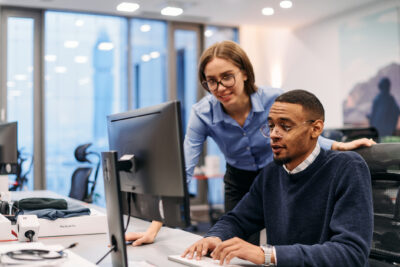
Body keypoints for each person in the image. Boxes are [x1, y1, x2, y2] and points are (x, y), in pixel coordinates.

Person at [126, 40, 374, 246]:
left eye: (227, 77)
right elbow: (184, 172)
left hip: (278, 174)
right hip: (239, 178)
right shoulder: (202, 113)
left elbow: (300, 128)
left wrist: (337, 146)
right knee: (234, 240)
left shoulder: (273, 98)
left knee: (289, 237)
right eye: (211, 81)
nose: (220, 88)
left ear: (244, 72)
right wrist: (155, 226)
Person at [182, 89, 374, 267]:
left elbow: (351, 253)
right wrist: (215, 237)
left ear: (315, 129)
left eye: (285, 126)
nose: (274, 135)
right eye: (271, 126)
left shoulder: (347, 168)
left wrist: (267, 254)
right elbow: (237, 220)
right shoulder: (272, 173)